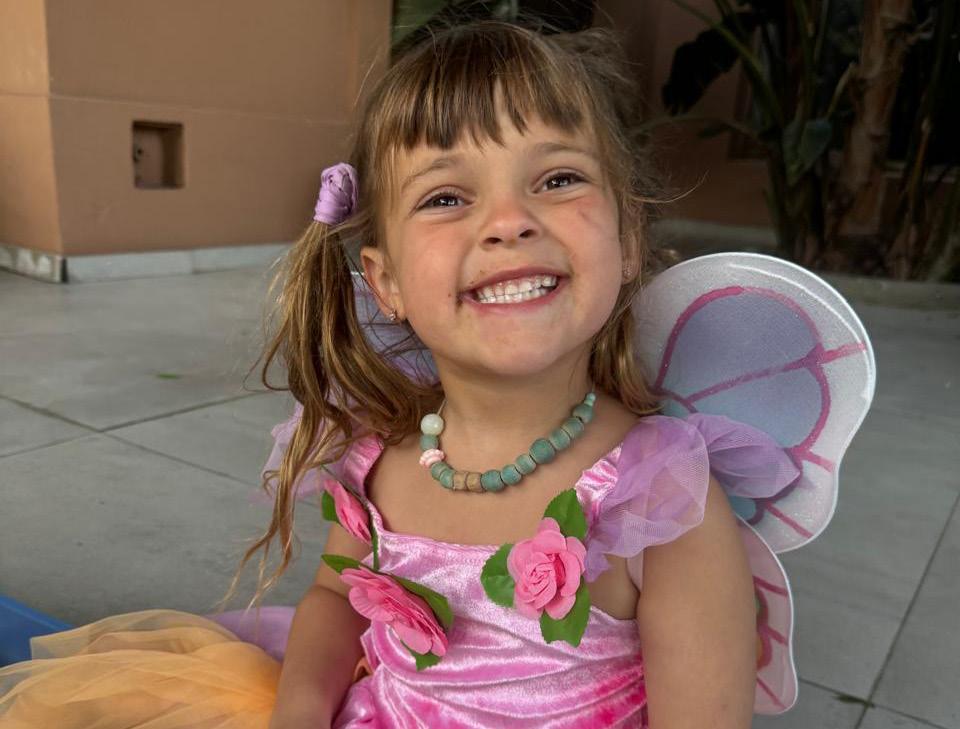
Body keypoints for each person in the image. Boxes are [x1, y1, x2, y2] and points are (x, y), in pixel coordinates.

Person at [0, 20, 875, 729]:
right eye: (447, 196)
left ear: (630, 238)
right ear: (384, 280)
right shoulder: (377, 458)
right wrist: (301, 706)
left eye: (558, 178)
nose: (509, 221)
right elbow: (334, 598)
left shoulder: (664, 502)